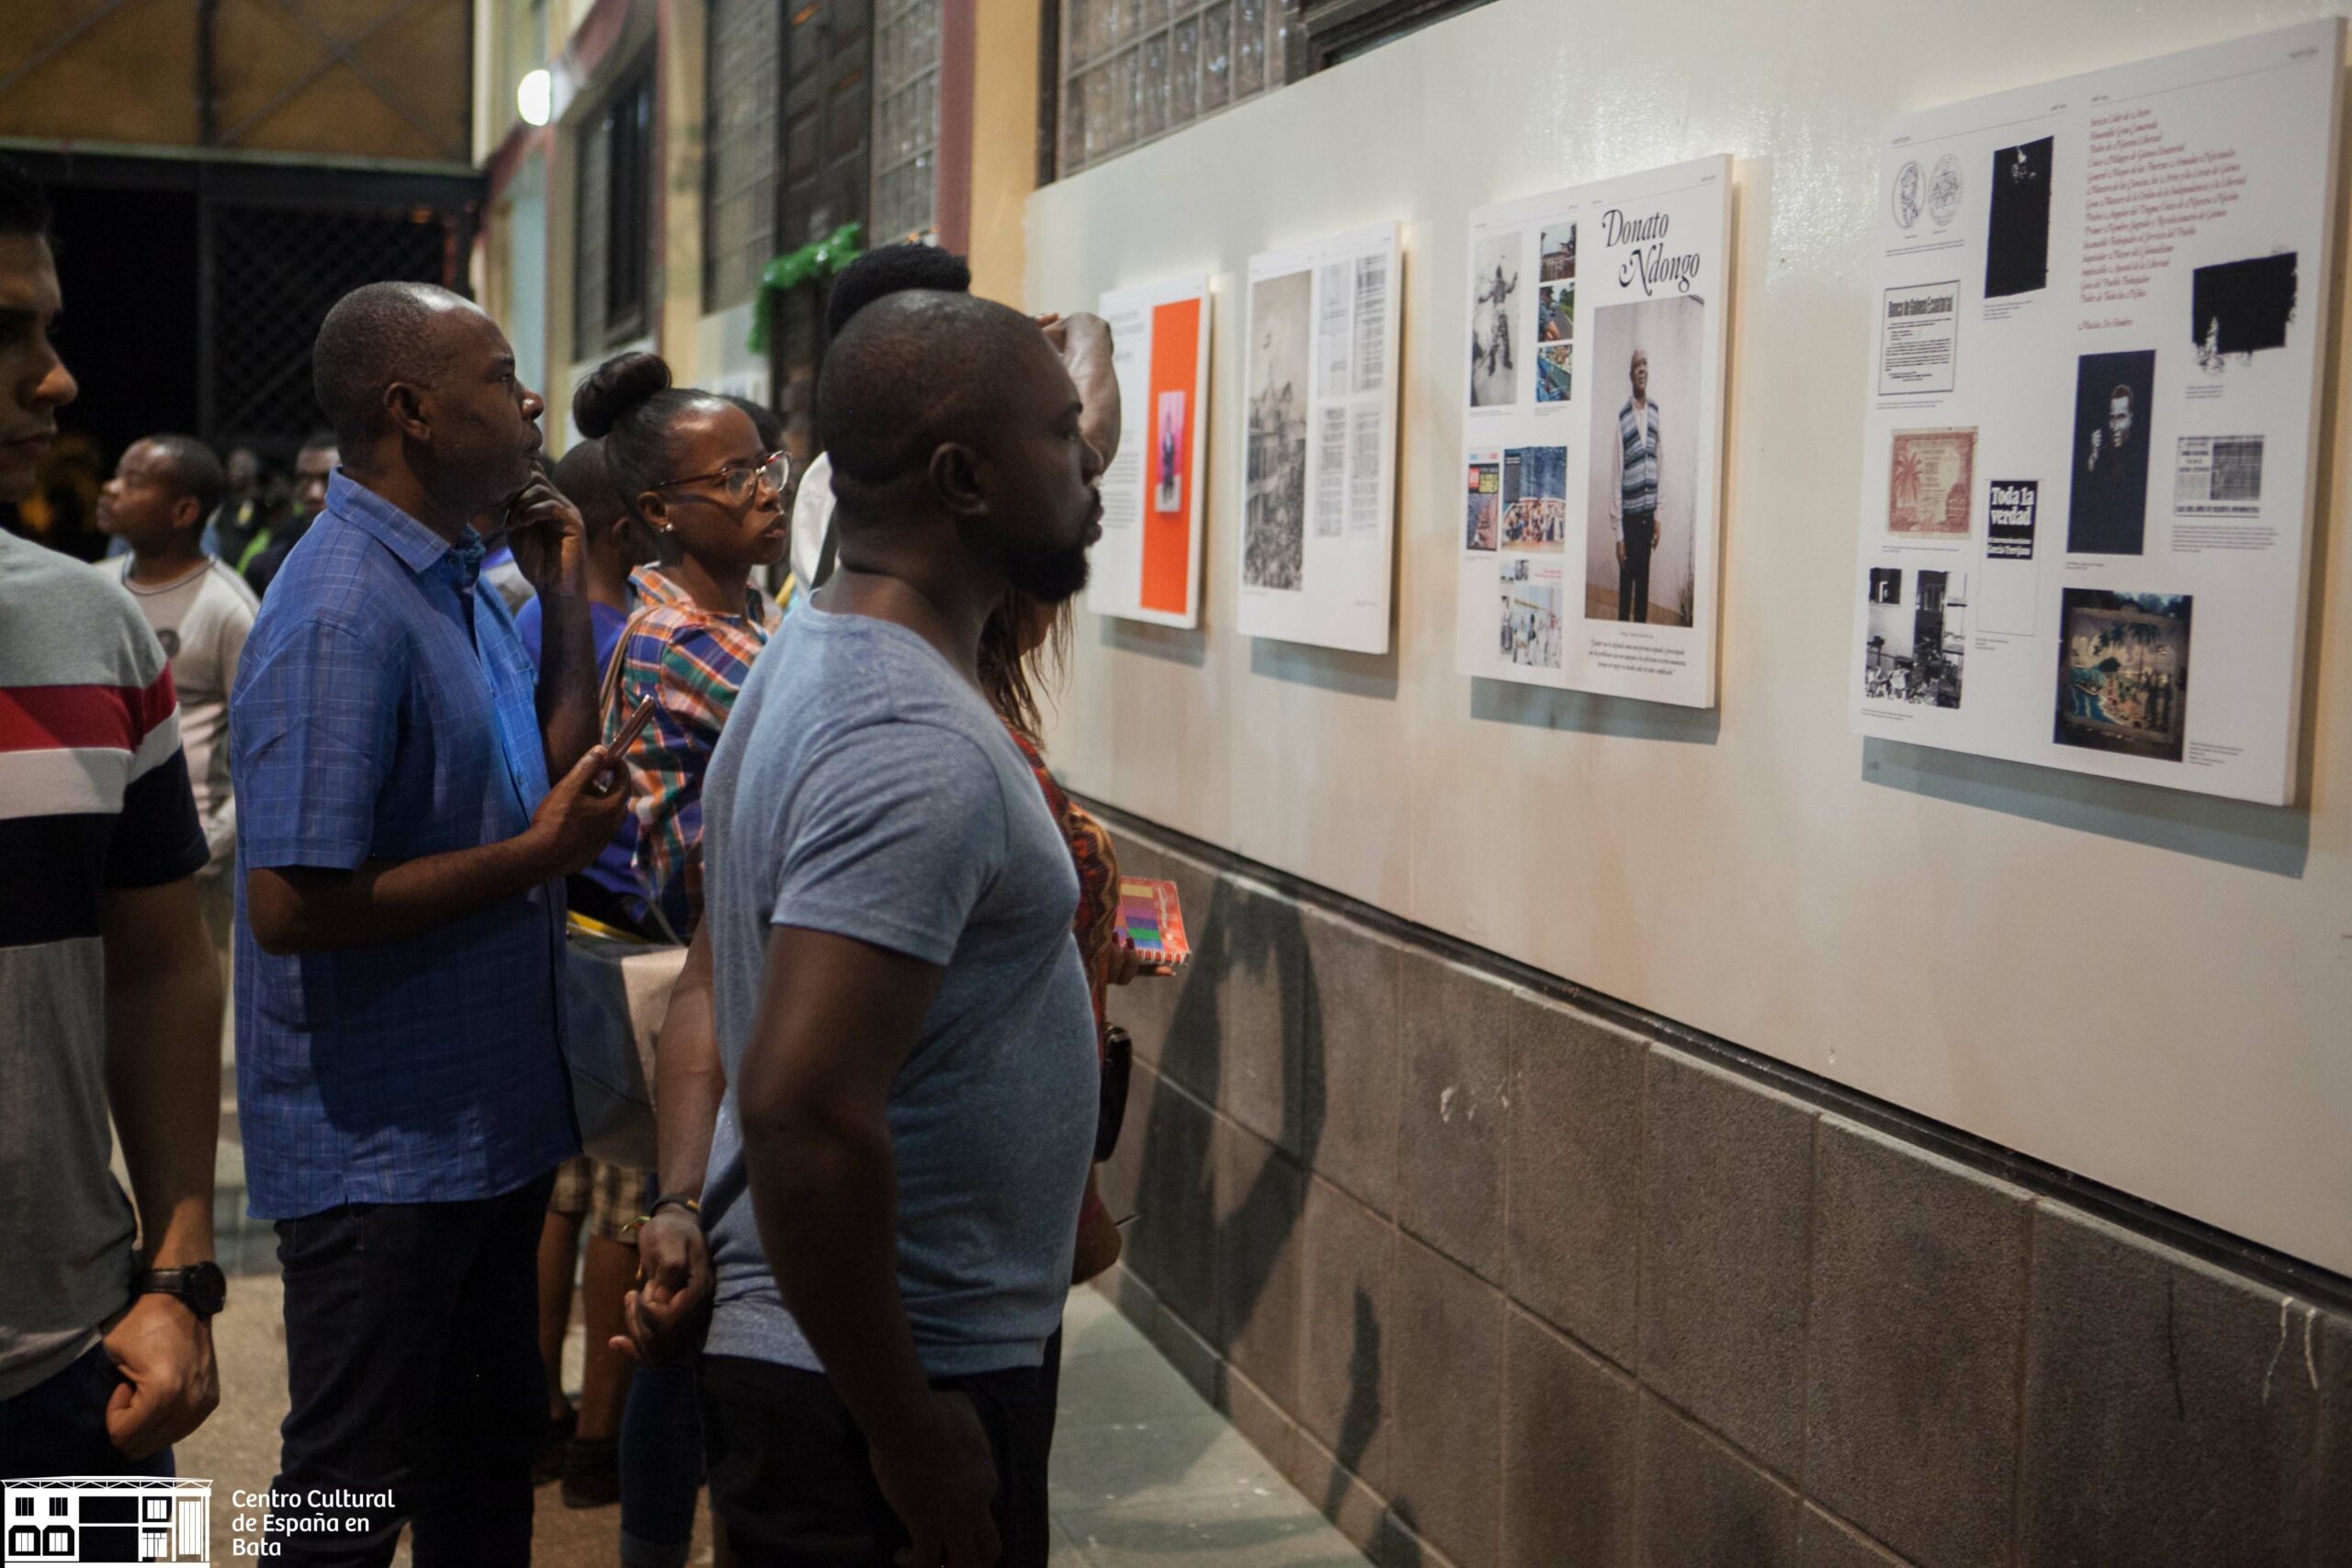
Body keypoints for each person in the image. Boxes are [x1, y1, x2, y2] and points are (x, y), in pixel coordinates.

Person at [654, 289, 1105, 1566]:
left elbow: (716, 982)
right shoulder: (907, 739)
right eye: (1064, 439)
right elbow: (803, 1106)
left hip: (862, 1361)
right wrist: (908, 1431)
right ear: (965, 477)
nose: (1087, 469)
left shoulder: (817, 644)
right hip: (884, 1387)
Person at [230, 279, 630, 1565]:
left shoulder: (459, 578)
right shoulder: (339, 608)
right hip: (382, 1152)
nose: (527, 403)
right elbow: (292, 902)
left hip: (484, 1126)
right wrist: (534, 857)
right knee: (345, 1490)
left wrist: (561, 594)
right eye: (501, 378)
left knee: (481, 1460)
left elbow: (540, 772)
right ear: (409, 408)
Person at [0, 157, 227, 1479]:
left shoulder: (96, 630)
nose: (57, 377)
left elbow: (157, 965)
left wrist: (179, 1271)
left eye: (50, 326)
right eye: (6, 332)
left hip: (81, 1381)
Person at [585, 354, 789, 939]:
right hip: (725, 942)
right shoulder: (676, 636)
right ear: (657, 511)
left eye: (766, 468)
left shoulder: (746, 607)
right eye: (734, 480)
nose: (769, 495)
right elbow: (835, 726)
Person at [97, 434, 259, 972]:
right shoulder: (96, 590)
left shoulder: (229, 607)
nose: (110, 488)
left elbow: (260, 751)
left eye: (134, 481)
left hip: (188, 861)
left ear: (183, 510)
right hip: (101, 849)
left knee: (182, 1017)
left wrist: (208, 847)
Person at [242, 431, 337, 598]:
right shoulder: (268, 566)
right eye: (304, 479)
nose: (314, 494)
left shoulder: (376, 560)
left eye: (327, 478)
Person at [1610, 346, 1661, 623]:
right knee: (1625, 595)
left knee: (1642, 593)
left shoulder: (1655, 411)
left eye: (1645, 363)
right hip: (1628, 521)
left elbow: (1659, 461)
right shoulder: (1622, 418)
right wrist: (1619, 535)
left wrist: (1658, 516)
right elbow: (1616, 476)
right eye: (1637, 365)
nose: (1642, 369)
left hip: (1647, 518)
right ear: (1631, 375)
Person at [2069, 380, 2148, 556]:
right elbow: (2088, 507)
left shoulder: (2141, 455)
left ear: (2131, 418)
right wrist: (2093, 458)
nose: (2114, 427)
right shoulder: (2103, 454)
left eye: (2121, 417)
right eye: (2112, 418)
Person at [201, 444, 270, 569]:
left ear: (253, 472)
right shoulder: (224, 502)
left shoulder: (257, 503)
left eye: (240, 467)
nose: (233, 472)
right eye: (230, 466)